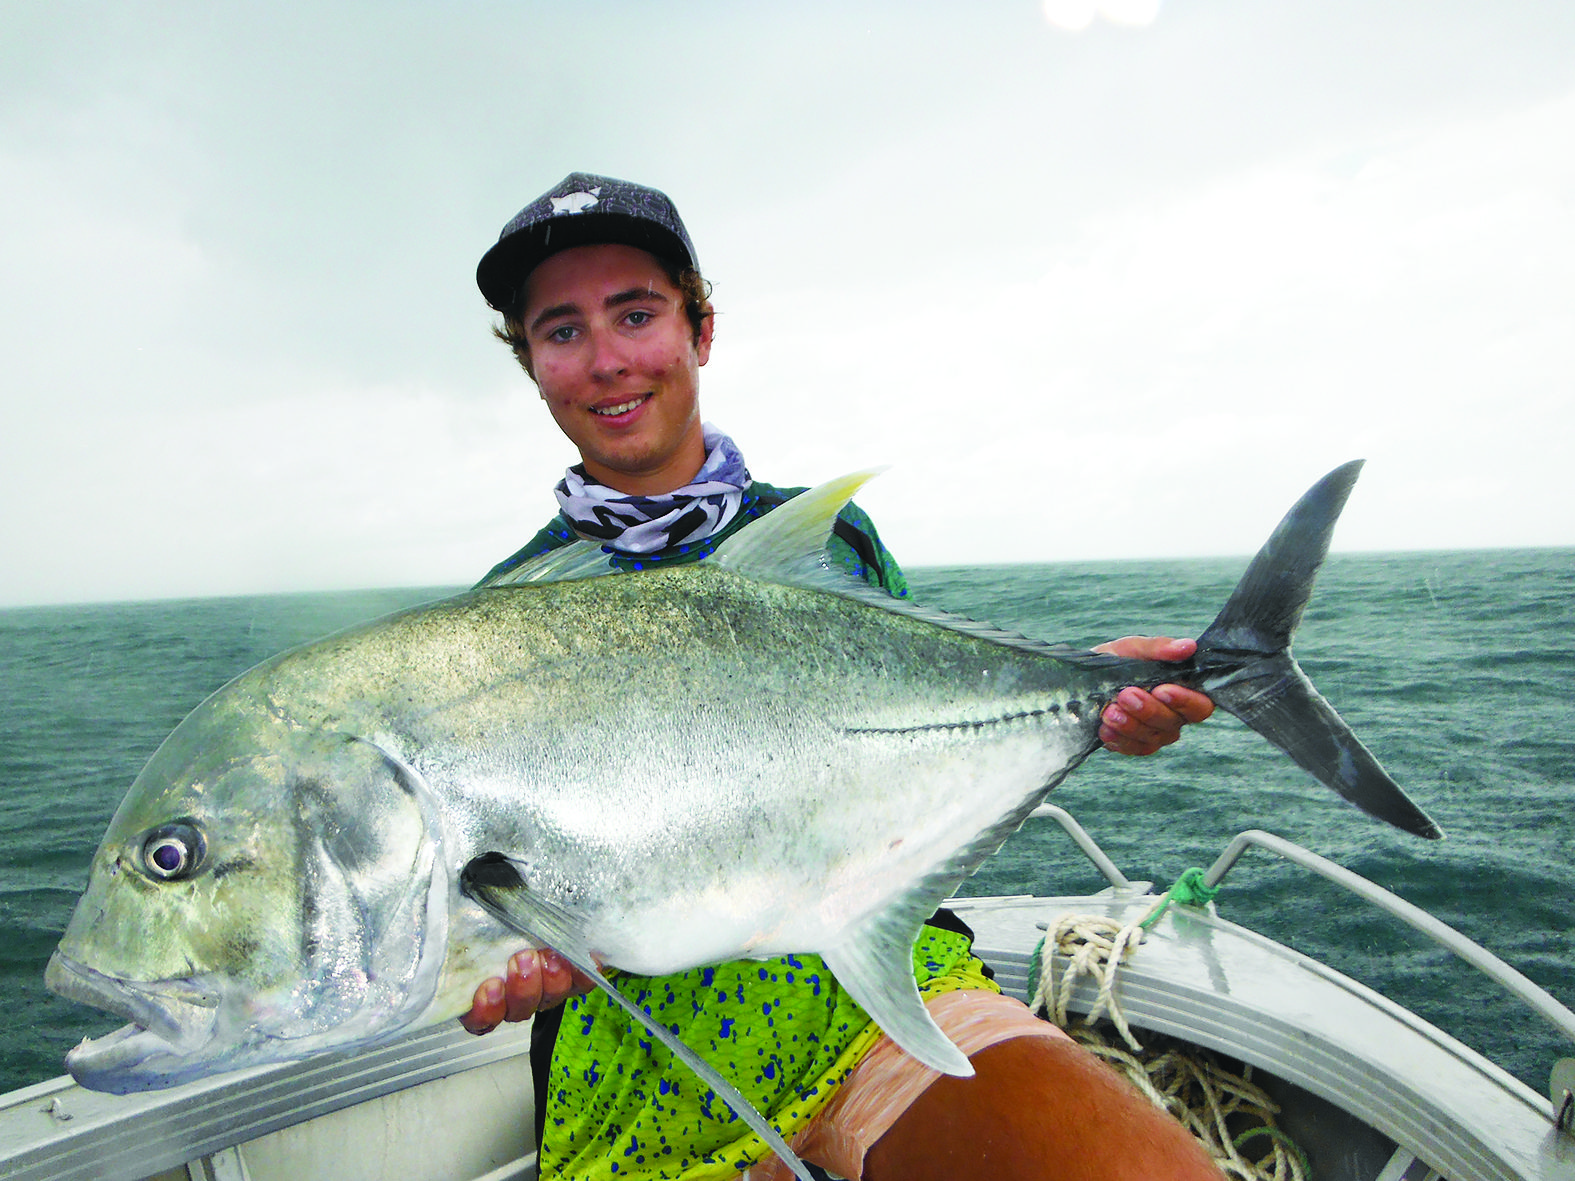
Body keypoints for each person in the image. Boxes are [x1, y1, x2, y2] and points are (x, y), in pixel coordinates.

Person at [463, 173, 1222, 1181]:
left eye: (636, 313)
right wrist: (507, 953)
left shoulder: (829, 542)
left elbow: (913, 760)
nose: (606, 361)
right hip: (645, 1068)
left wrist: (1088, 698)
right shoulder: (498, 626)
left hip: (869, 988)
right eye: (561, 331)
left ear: (702, 326)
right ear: (531, 363)